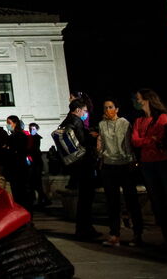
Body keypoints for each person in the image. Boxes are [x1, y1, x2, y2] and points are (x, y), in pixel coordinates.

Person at [131, 88, 167, 249]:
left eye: (138, 98)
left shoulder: (162, 117)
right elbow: (134, 141)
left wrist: (145, 140)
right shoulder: (138, 121)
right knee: (157, 202)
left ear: (147, 99)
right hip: (147, 163)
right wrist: (150, 139)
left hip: (164, 162)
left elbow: (161, 137)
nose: (136, 101)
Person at [97, 97, 143, 247]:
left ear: (116, 109)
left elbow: (128, 144)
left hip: (124, 165)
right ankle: (114, 234)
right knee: (112, 202)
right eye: (105, 108)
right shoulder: (101, 125)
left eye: (110, 107)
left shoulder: (124, 123)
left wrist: (131, 161)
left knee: (131, 201)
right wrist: (100, 155)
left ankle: (137, 234)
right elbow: (102, 145)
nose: (107, 110)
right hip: (108, 165)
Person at [61, 99, 101, 241]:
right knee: (86, 199)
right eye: (84, 111)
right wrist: (93, 139)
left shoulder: (66, 121)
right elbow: (82, 142)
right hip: (84, 165)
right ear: (78, 110)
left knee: (84, 198)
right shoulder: (76, 121)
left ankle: (85, 228)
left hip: (76, 165)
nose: (86, 114)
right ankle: (84, 229)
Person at [4, 115, 32, 211]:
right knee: (18, 192)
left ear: (15, 123)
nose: (7, 125)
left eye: (9, 123)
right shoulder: (15, 135)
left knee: (20, 192)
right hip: (17, 167)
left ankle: (24, 213)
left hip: (17, 167)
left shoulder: (18, 135)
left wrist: (7, 149)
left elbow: (17, 151)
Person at [27, 123, 49, 207]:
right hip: (34, 163)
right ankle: (42, 199)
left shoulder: (35, 138)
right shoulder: (31, 138)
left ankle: (42, 199)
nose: (31, 130)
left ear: (36, 129)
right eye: (30, 129)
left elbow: (33, 150)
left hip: (36, 164)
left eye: (33, 129)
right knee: (35, 183)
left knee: (36, 183)